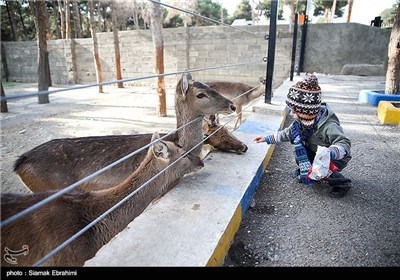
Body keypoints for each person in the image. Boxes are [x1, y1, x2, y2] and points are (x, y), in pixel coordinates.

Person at [254, 75, 352, 198]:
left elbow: (344, 142)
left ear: (306, 112)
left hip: (334, 157)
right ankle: (309, 170)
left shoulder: (329, 125)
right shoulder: (301, 123)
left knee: (327, 168)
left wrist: (332, 152)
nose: (291, 114)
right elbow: (287, 133)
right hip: (315, 151)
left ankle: (341, 183)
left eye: (294, 112)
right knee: (299, 153)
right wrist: (267, 139)